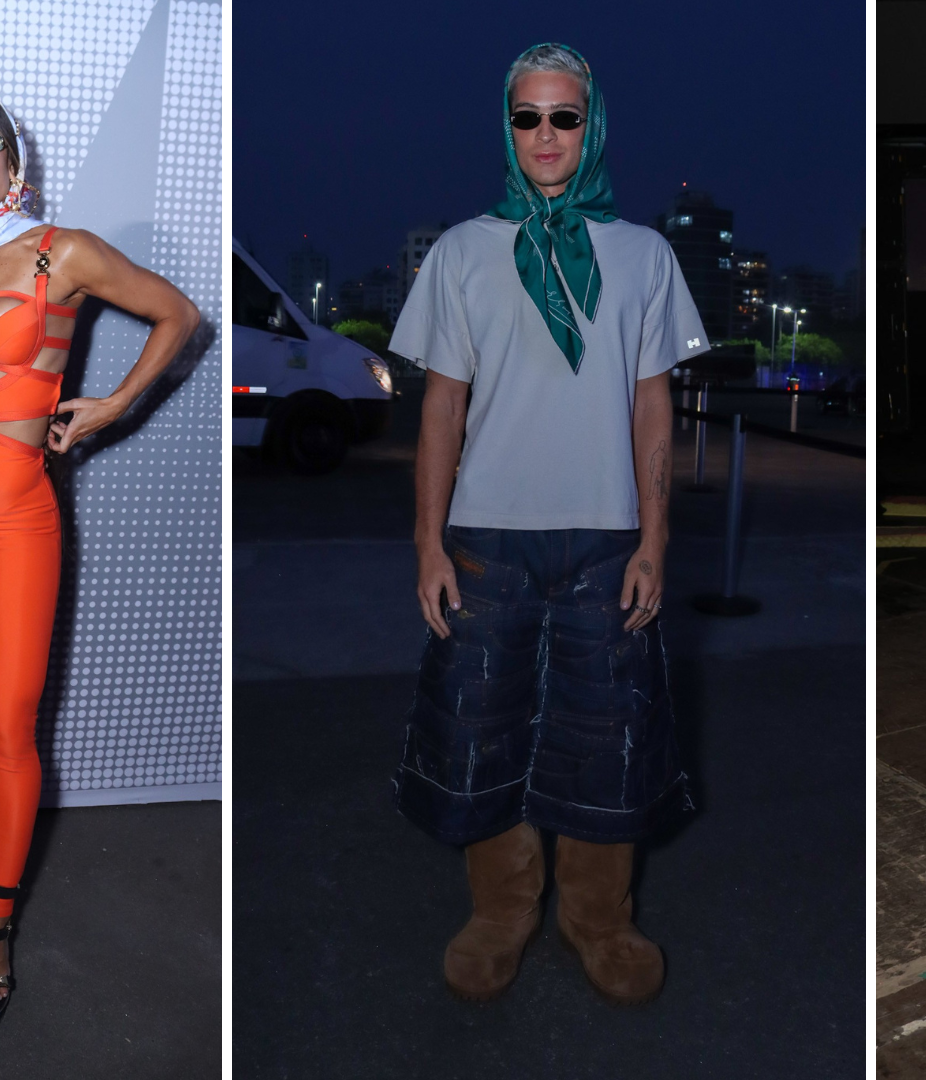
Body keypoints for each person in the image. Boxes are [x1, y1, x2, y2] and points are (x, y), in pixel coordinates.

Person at [388, 43, 708, 1006]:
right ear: (506, 126)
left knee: (607, 740)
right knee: (482, 734)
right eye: (526, 117)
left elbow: (654, 407)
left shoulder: (645, 252)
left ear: (592, 125)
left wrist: (655, 540)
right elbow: (441, 408)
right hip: (485, 538)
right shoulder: (461, 251)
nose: (545, 135)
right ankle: (500, 913)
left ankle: (599, 920)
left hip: (608, 537)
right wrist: (426, 541)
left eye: (563, 117)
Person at [0, 88, 199, 1025]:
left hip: (16, 514)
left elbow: (179, 315)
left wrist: (113, 405)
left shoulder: (63, 249)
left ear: (11, 157)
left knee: (8, 724)